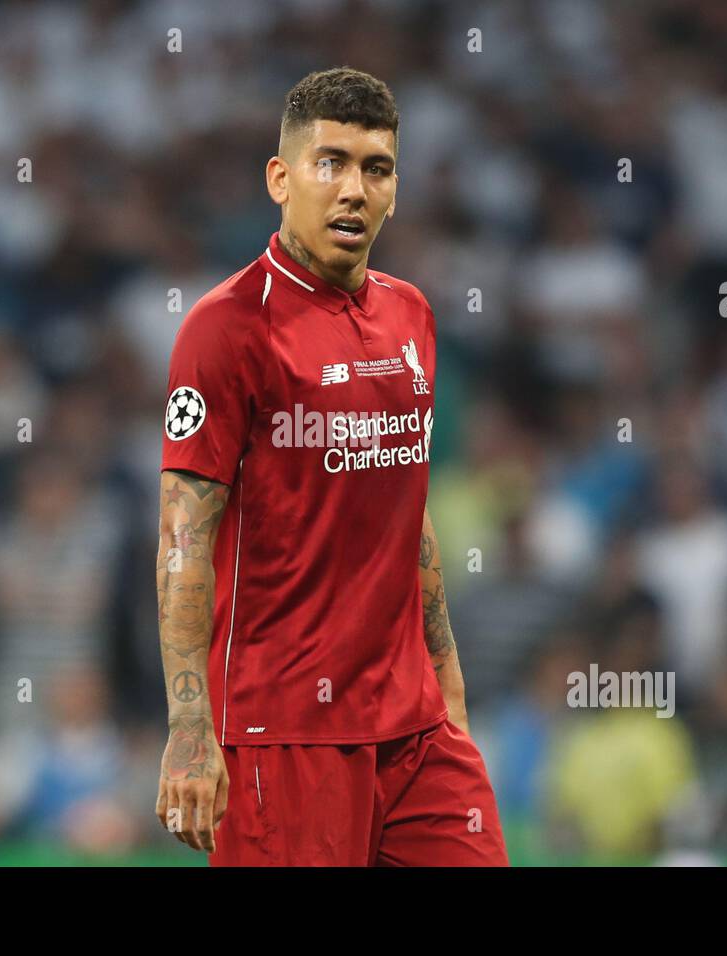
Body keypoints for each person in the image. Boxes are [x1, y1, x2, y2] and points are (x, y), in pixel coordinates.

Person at [153, 67, 508, 866]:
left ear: (395, 189)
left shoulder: (411, 315)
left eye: (375, 169)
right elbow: (182, 540)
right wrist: (188, 729)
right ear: (280, 178)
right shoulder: (227, 328)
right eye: (330, 163)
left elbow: (405, 511)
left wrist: (447, 686)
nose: (353, 189)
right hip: (284, 733)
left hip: (415, 732)